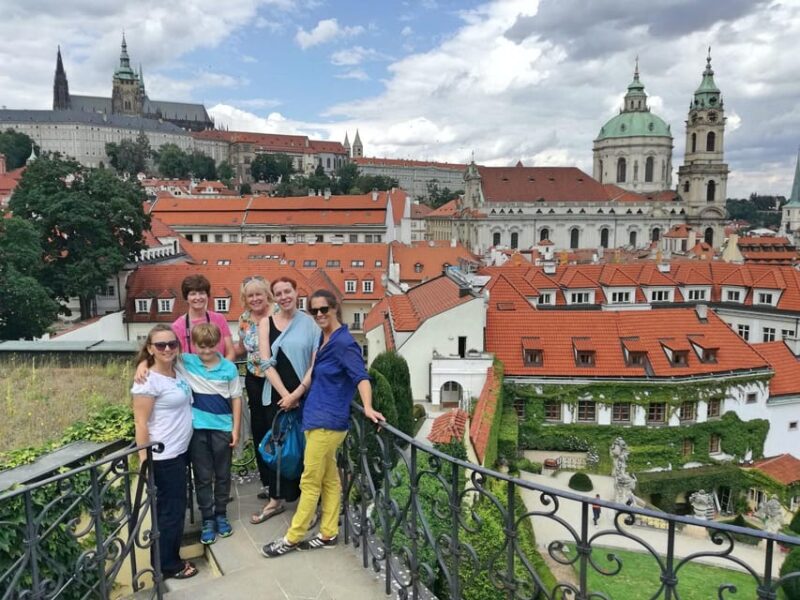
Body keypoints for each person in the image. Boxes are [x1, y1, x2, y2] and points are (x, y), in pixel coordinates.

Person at [261, 289, 384, 557]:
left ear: (334, 308)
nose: (319, 315)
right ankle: (328, 533)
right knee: (329, 480)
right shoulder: (324, 338)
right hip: (317, 418)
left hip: (328, 422)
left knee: (309, 481)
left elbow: (360, 376)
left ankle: (292, 538)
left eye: (323, 309)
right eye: (314, 311)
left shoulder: (343, 343)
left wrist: (368, 407)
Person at [249, 276, 318, 524]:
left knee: (306, 450)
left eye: (287, 291)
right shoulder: (266, 323)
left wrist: (297, 394)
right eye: (278, 293)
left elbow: (314, 363)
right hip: (276, 396)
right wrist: (285, 396)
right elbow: (265, 362)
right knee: (277, 448)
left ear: (296, 292)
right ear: (274, 297)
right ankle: (276, 499)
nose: (284, 296)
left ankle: (309, 504)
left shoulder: (310, 323)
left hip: (305, 395)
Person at [131, 325, 197, 580]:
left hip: (179, 452)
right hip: (163, 456)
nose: (167, 348)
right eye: (160, 345)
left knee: (176, 508)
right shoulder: (147, 381)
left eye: (172, 343)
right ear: (150, 349)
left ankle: (169, 558)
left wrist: (144, 362)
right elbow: (141, 423)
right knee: (170, 512)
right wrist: (145, 461)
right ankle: (168, 565)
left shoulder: (176, 370)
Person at [182, 323, 242, 545]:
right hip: (197, 429)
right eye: (201, 346)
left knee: (223, 474)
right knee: (203, 476)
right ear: (194, 345)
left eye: (210, 346)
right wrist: (141, 367)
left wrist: (235, 429)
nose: (206, 351)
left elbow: (236, 398)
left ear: (217, 344)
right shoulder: (187, 362)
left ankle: (221, 514)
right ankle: (207, 518)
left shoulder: (228, 368)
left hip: (222, 427)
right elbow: (158, 356)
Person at [235, 275, 275, 501]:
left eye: (259, 294)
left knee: (280, 428)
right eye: (250, 295)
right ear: (245, 299)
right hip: (255, 379)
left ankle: (288, 480)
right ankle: (268, 482)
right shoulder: (244, 319)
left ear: (266, 294)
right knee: (260, 430)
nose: (255, 298)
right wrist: (212, 359)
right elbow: (242, 347)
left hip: (279, 379)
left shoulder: (278, 312)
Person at [172, 274, 236, 360]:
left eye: (202, 293)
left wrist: (219, 370)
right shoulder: (178, 326)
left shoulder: (219, 319)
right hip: (191, 373)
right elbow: (178, 359)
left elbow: (230, 352)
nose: (198, 297)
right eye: (193, 294)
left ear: (207, 296)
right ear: (186, 298)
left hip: (220, 371)